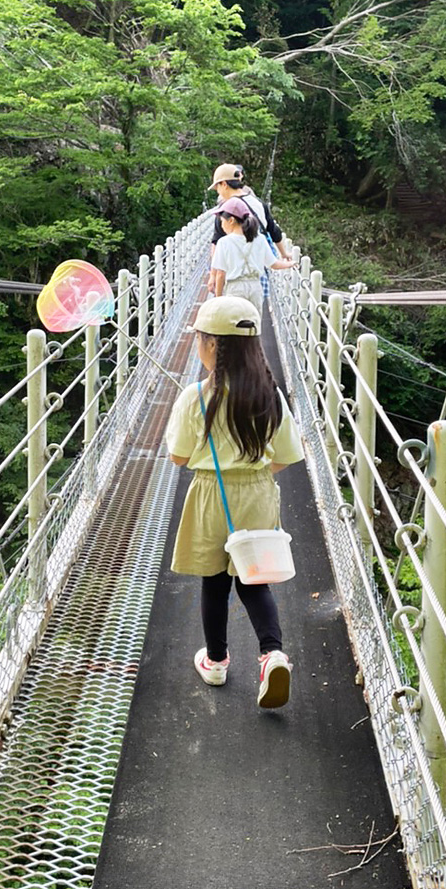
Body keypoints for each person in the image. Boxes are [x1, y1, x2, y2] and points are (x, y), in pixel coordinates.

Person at [165, 295, 303, 709]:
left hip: (212, 495)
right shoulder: (271, 395)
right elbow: (287, 455)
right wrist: (254, 474)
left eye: (200, 339)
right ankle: (272, 653)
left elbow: (178, 456)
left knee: (214, 580)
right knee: (253, 578)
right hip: (259, 493)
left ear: (214, 346)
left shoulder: (196, 397)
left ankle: (217, 660)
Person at [207, 163, 291, 295]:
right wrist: (284, 254)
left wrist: (212, 276)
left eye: (217, 187)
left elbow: (217, 241)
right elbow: (274, 231)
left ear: (224, 184)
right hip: (255, 277)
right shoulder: (259, 204)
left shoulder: (225, 210)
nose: (217, 191)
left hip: (231, 277)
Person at [211, 197, 296, 314]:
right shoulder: (260, 239)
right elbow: (273, 264)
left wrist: (218, 299)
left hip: (234, 289)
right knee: (253, 325)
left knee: (233, 326)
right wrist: (289, 264)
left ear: (231, 220)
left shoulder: (223, 242)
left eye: (222, 221)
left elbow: (220, 274)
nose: (221, 225)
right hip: (255, 287)